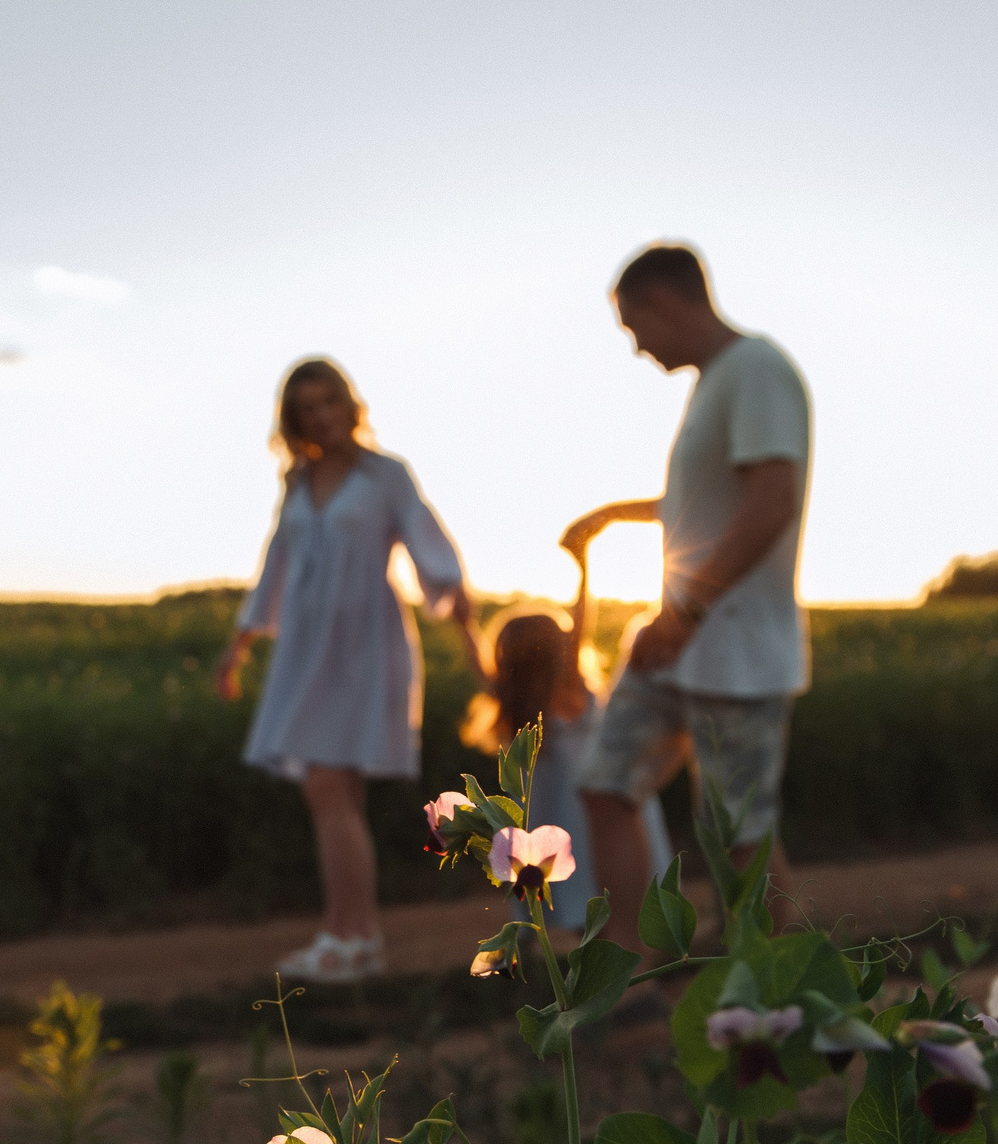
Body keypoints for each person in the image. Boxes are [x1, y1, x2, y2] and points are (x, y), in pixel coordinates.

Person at [563, 242, 813, 945]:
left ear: (664, 303)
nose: (636, 346)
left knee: (735, 833)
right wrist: (619, 515)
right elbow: (705, 499)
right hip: (679, 642)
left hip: (732, 648)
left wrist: (686, 612)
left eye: (632, 326)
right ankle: (631, 964)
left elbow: (772, 499)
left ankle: (781, 989)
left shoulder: (757, 370)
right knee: (606, 785)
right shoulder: (715, 382)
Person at [215, 357, 476, 984]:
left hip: (366, 643)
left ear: (349, 404)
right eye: (308, 408)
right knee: (336, 795)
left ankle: (346, 937)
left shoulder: (385, 475)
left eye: (330, 401)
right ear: (293, 418)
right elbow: (275, 563)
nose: (322, 417)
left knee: (329, 789)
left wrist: (471, 635)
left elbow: (430, 550)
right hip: (306, 648)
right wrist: (240, 645)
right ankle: (358, 938)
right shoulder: (296, 482)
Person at [458, 548, 672, 935]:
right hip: (596, 804)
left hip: (549, 813)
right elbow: (581, 622)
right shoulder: (571, 689)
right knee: (613, 884)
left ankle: (583, 962)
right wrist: (584, 568)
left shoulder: (515, 699)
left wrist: (463, 626)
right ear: (560, 651)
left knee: (573, 896)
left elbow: (478, 667)